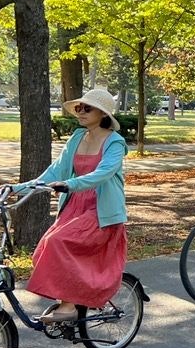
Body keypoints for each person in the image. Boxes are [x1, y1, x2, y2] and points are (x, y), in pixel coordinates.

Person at [17, 88, 128, 323]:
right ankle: (69, 303)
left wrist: (70, 184)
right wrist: (17, 188)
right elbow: (55, 171)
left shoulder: (115, 142)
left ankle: (68, 307)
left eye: (87, 108)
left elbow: (103, 173)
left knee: (59, 242)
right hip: (74, 205)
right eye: (79, 107)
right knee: (45, 246)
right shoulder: (77, 137)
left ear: (103, 113)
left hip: (100, 209)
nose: (81, 112)